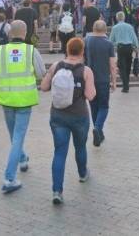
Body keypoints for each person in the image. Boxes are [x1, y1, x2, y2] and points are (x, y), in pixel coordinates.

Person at [0, 20, 46, 193]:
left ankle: (22, 158)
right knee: (18, 136)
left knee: (14, 135)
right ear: (26, 32)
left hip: (6, 99)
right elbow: (42, 73)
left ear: (10, 33)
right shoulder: (31, 51)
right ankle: (9, 178)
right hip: (25, 99)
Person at [40, 37, 96, 205]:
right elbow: (90, 95)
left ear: (67, 49)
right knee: (80, 147)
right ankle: (82, 173)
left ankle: (57, 191)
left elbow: (43, 87)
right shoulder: (86, 70)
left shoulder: (56, 66)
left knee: (59, 152)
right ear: (82, 51)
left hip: (58, 116)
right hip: (79, 116)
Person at [85, 20, 117, 146]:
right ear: (105, 30)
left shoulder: (86, 41)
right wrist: (114, 81)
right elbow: (112, 65)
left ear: (93, 28)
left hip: (89, 79)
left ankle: (99, 132)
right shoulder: (108, 44)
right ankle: (98, 129)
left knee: (94, 106)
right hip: (103, 80)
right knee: (104, 107)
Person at [109, 11, 139, 93]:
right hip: (129, 47)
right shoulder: (129, 26)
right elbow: (134, 37)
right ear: (124, 17)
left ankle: (125, 85)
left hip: (121, 47)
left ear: (117, 18)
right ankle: (126, 84)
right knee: (128, 66)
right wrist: (136, 47)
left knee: (121, 66)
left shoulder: (115, 28)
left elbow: (111, 40)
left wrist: (112, 47)